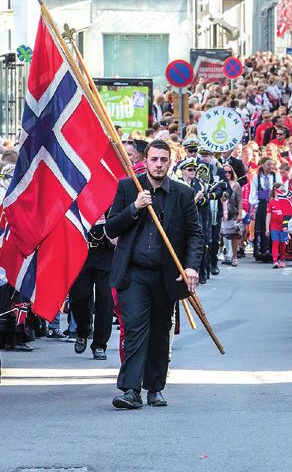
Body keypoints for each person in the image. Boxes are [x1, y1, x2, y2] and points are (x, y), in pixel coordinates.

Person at [106, 139, 203, 410]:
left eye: (163, 159)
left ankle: (155, 388)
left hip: (166, 275)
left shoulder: (182, 194)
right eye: (154, 159)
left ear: (170, 162)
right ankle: (130, 390)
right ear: (145, 161)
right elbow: (111, 228)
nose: (158, 164)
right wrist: (134, 207)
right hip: (133, 273)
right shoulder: (128, 187)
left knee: (161, 331)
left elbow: (195, 234)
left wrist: (191, 267)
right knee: (135, 329)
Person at [69, 213, 115, 360]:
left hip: (106, 252)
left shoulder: (112, 192)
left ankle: (100, 344)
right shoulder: (79, 190)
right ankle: (83, 331)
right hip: (81, 250)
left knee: (105, 300)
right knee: (78, 296)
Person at [220, 164, 244, 267]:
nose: (227, 174)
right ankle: (224, 254)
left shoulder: (236, 185)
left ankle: (234, 256)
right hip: (220, 212)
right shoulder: (219, 184)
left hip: (233, 212)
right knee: (221, 234)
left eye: (229, 172)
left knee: (234, 235)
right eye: (225, 172)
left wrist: (240, 213)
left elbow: (240, 200)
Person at [266, 183, 292, 268]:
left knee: (283, 244)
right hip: (274, 227)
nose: (282, 192)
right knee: (275, 242)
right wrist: (267, 228)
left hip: (283, 227)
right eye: (281, 190)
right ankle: (275, 261)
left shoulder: (285, 201)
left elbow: (289, 214)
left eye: (283, 191)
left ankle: (282, 259)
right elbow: (268, 215)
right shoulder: (271, 202)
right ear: (275, 190)